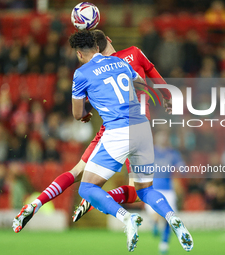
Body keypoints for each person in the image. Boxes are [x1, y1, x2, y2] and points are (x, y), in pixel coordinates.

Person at [12, 29, 172, 234]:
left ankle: (36, 203)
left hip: (110, 128)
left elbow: (81, 110)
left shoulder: (88, 71)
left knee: (77, 172)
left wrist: (86, 113)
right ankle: (98, 201)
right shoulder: (130, 56)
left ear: (83, 52)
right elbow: (149, 82)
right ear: (105, 41)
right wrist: (166, 97)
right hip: (133, 128)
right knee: (135, 192)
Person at [68, 30, 192, 251]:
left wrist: (88, 113)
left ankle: (126, 218)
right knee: (144, 190)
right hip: (142, 127)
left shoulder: (81, 74)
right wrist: (164, 97)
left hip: (118, 131)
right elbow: (142, 85)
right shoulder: (124, 64)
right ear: (100, 46)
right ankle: (172, 217)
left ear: (79, 53)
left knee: (86, 189)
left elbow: (78, 114)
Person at [145, 130, 185, 254]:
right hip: (152, 189)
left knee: (170, 218)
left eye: (165, 136)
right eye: (160, 136)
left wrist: (181, 171)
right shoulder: (150, 152)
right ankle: (155, 224)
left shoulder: (172, 153)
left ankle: (164, 244)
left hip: (168, 190)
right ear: (156, 138)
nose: (163, 138)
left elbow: (183, 168)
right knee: (156, 216)